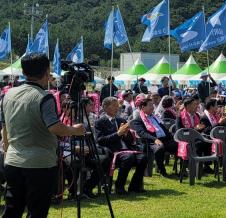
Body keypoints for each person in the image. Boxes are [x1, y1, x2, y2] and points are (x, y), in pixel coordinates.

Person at [1, 53, 85, 217]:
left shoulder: (8, 94)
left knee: (12, 209)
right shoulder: (44, 97)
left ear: (24, 72)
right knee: (37, 211)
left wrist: (6, 152)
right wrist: (75, 130)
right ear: (47, 72)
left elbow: (4, 128)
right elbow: (54, 127)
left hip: (12, 160)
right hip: (39, 164)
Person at [95, 97, 148, 194]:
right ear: (105, 107)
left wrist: (127, 134)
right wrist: (118, 134)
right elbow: (100, 141)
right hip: (112, 150)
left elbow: (130, 141)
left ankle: (134, 186)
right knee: (128, 157)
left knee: (143, 157)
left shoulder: (121, 120)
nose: (117, 108)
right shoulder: (100, 122)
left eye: (117, 106)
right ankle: (119, 186)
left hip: (126, 149)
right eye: (114, 106)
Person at [130, 98, 178, 177]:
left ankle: (182, 170)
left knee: (181, 144)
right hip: (150, 142)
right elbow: (142, 133)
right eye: (150, 105)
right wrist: (155, 139)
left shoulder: (155, 117)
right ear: (143, 107)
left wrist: (173, 137)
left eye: (152, 105)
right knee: (159, 147)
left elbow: (164, 130)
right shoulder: (138, 120)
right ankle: (162, 171)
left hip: (164, 140)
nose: (152, 107)